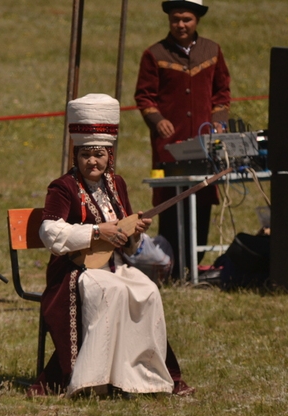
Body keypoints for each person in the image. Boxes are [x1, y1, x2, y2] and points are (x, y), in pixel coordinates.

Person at [30, 94, 195, 398]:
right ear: (76, 156)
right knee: (115, 292)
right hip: (74, 270)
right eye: (85, 155)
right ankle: (96, 380)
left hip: (115, 265)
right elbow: (49, 232)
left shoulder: (117, 185)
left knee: (148, 292)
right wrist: (95, 231)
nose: (92, 161)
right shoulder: (63, 187)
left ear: (109, 155)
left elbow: (128, 246)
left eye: (99, 154)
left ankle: (142, 377)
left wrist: (133, 233)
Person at [134, 0, 230, 279]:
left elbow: (221, 91)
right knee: (171, 200)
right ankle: (172, 266)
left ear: (197, 19)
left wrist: (219, 122)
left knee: (201, 197)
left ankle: (195, 262)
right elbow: (144, 96)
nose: (181, 25)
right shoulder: (155, 54)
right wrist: (157, 119)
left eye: (186, 19)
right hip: (171, 145)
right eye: (175, 19)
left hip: (204, 143)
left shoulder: (212, 51)